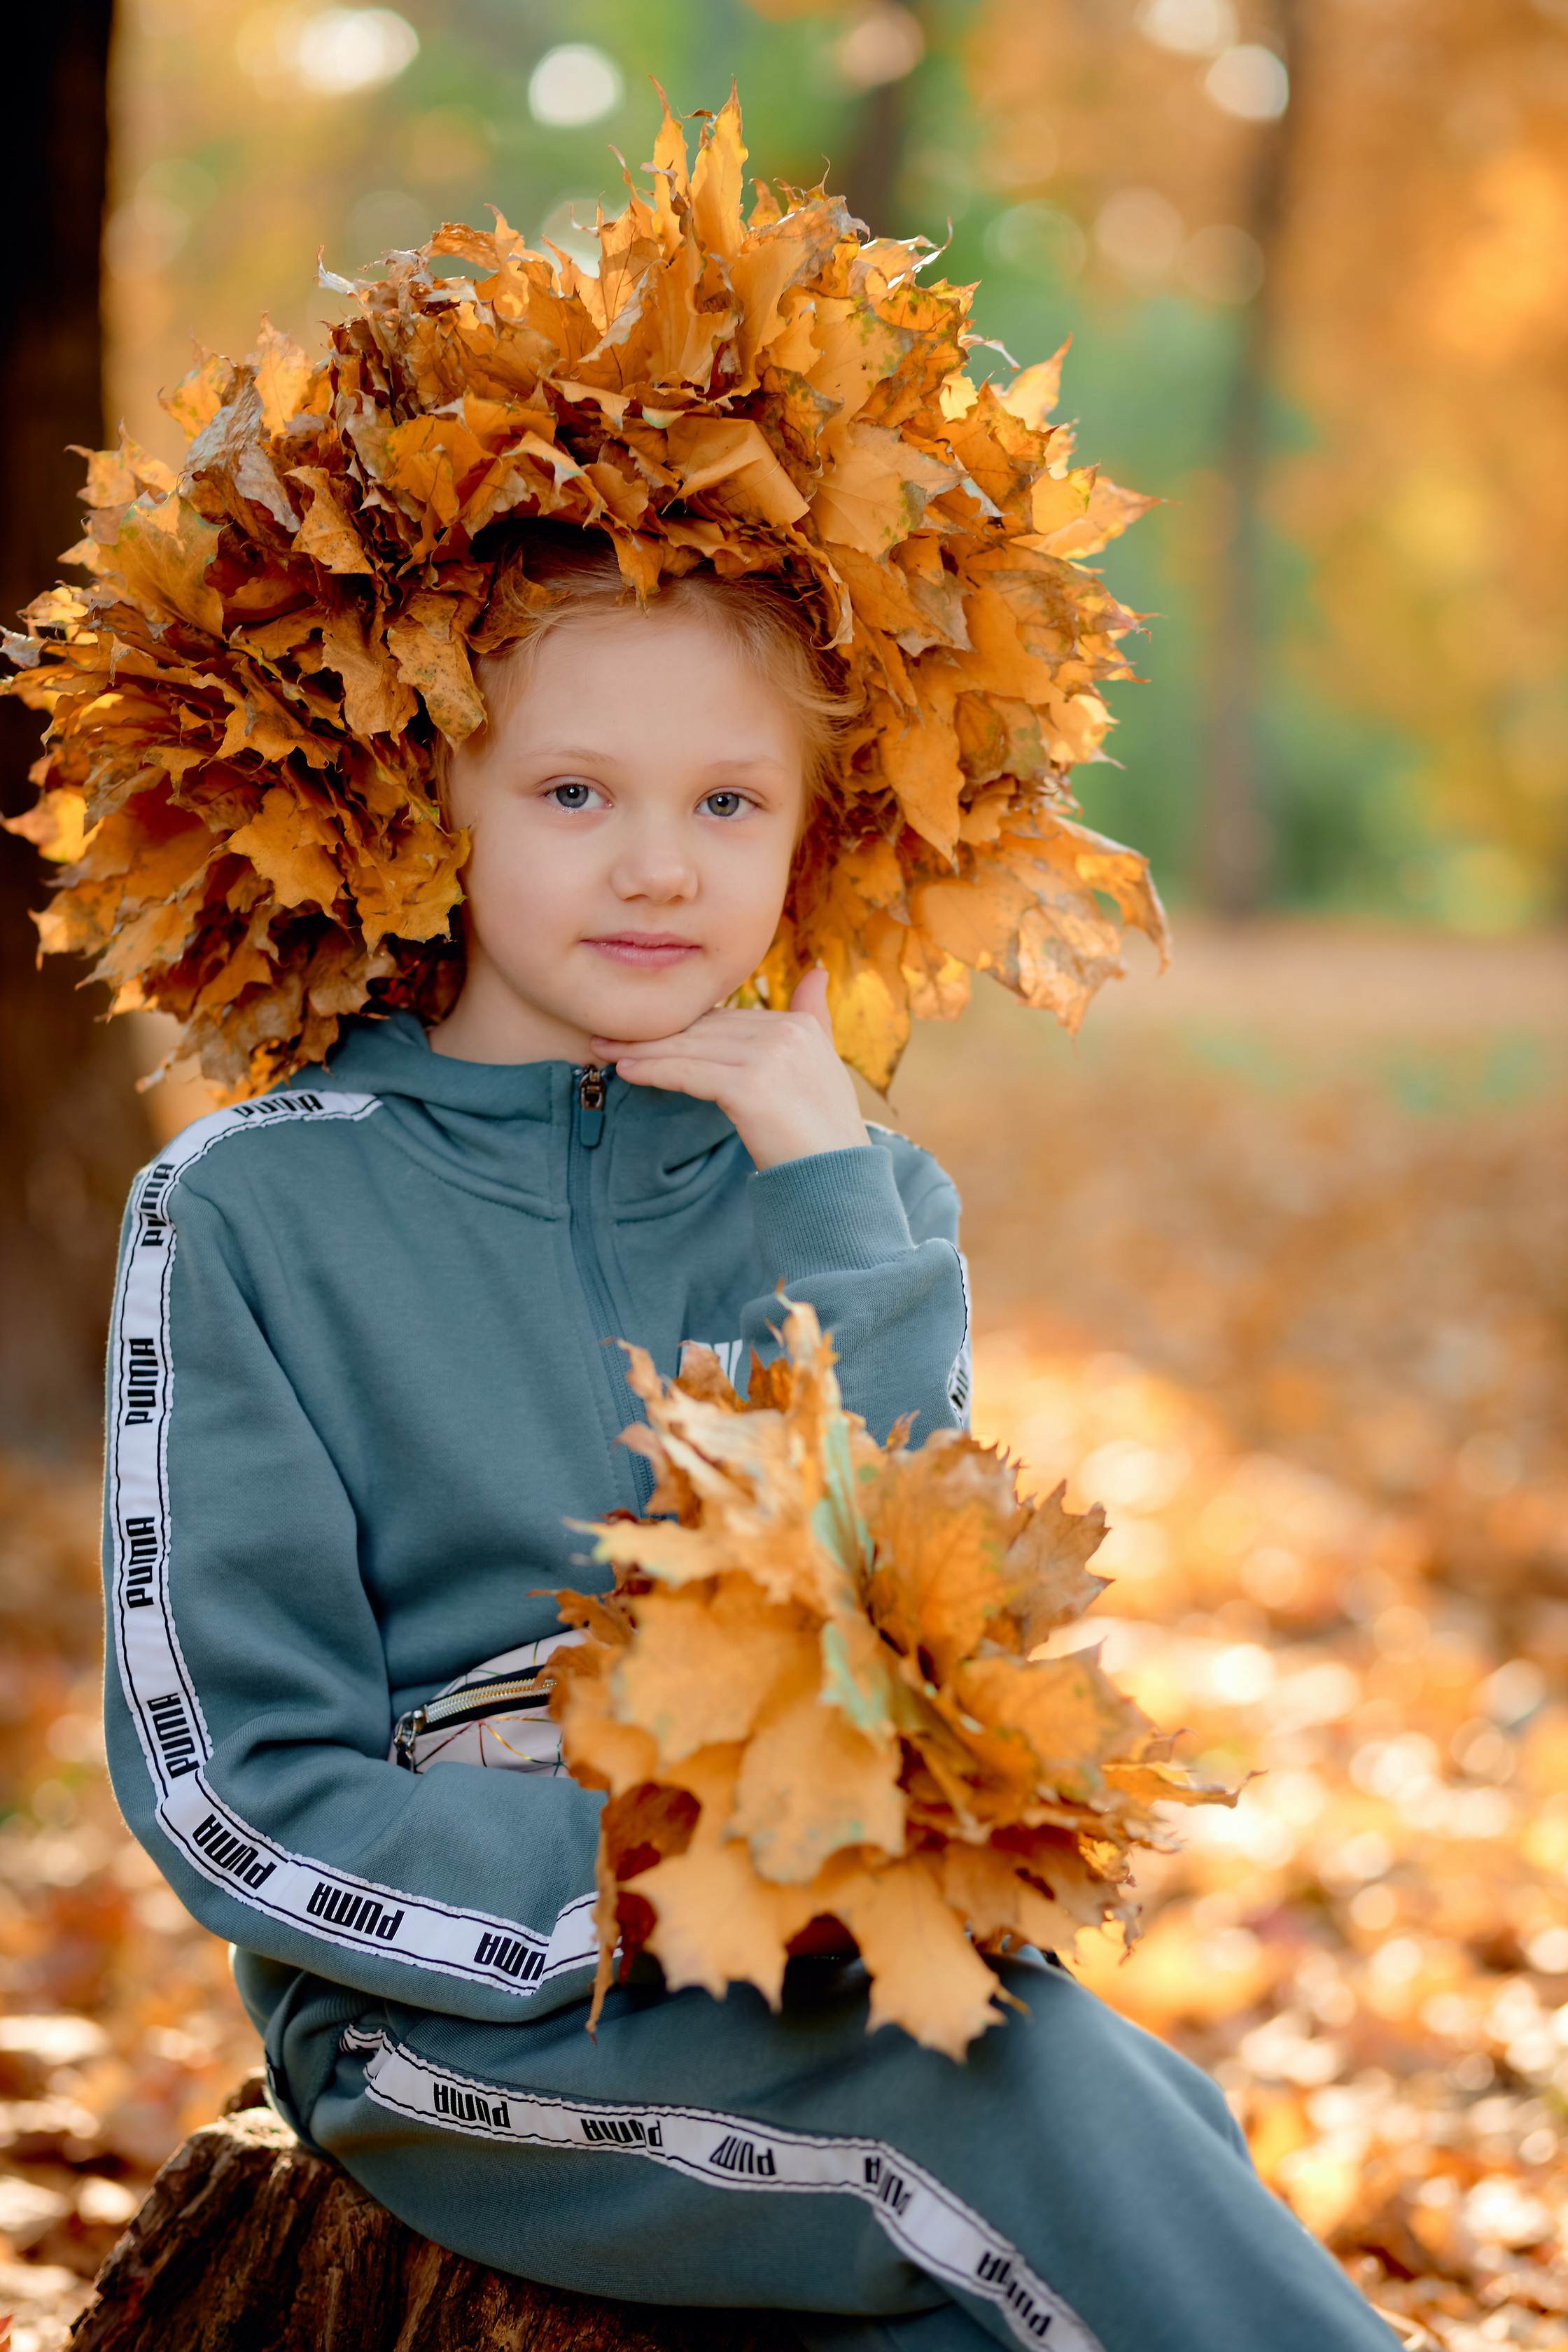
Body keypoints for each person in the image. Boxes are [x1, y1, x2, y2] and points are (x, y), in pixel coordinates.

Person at [26, 96, 1397, 2352]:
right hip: (455, 2036)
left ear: (813, 829)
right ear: (422, 804)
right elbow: (223, 1776)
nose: (659, 866)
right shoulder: (254, 1208)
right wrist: (658, 1894)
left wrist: (837, 1206)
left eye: (727, 802)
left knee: (1116, 2126)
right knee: (1031, 2140)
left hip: (837, 1972)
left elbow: (920, 1634)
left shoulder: (830, 1175)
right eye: (575, 794)